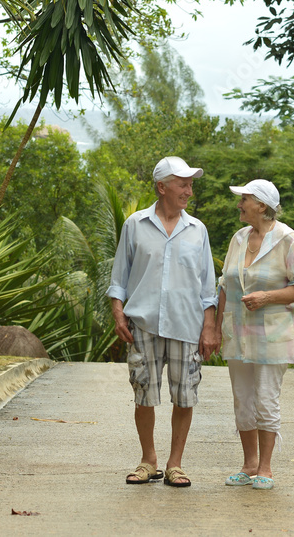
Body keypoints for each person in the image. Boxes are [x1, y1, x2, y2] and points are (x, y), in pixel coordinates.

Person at [108, 156, 219, 488]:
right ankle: (149, 460)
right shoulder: (135, 224)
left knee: (185, 395)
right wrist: (117, 311)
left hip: (187, 325)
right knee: (144, 393)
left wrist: (209, 327)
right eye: (183, 184)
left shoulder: (197, 229)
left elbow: (206, 286)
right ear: (162, 187)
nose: (189, 190)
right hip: (144, 323)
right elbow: (120, 276)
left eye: (190, 184)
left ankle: (175, 464)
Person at [217, 179, 294, 491]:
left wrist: (267, 297)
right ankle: (248, 464)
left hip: (273, 334)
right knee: (242, 400)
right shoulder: (239, 238)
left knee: (265, 400)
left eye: (244, 198)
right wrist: (214, 328)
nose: (239, 204)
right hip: (238, 333)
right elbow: (224, 285)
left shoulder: (287, 238)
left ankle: (266, 468)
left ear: (262, 205)